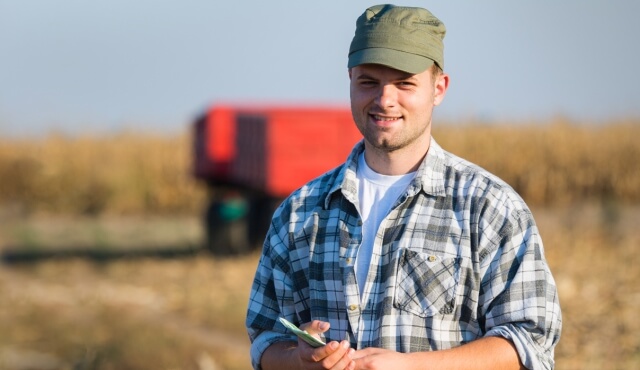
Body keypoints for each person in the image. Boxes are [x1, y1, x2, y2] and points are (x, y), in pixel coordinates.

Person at [246, 4, 562, 370]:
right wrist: (302, 359)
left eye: (405, 83)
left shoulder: (490, 209)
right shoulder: (299, 212)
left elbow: (530, 344)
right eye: (369, 82)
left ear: (438, 88)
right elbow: (265, 339)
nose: (384, 100)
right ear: (349, 78)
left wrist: (413, 366)